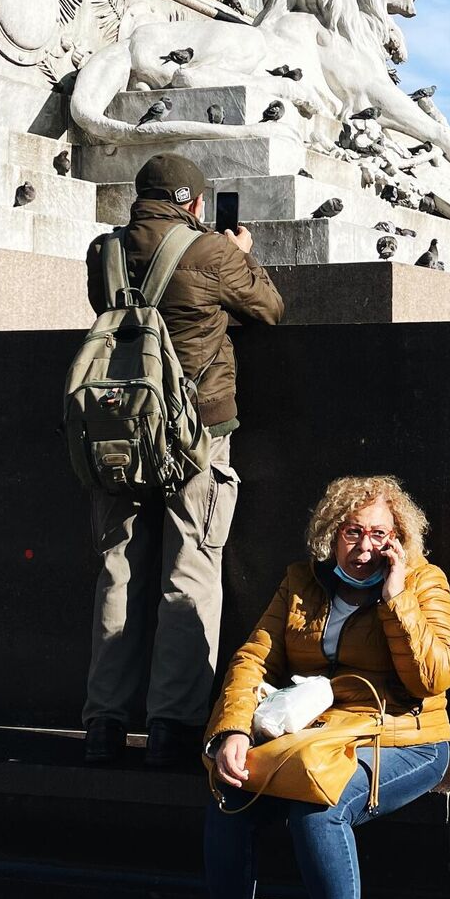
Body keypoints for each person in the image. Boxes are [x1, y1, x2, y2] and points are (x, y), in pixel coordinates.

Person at [174, 476, 450, 899]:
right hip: (315, 736)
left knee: (320, 808)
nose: (366, 545)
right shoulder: (300, 582)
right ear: (332, 533)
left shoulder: (424, 582)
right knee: (229, 795)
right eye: (354, 531)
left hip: (406, 737)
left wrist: (395, 598)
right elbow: (253, 659)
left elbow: (435, 676)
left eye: (381, 533)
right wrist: (232, 729)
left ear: (399, 537)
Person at [82, 152, 286, 767]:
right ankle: (172, 722)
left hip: (118, 428)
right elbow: (270, 308)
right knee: (190, 568)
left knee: (119, 569)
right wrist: (239, 251)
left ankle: (104, 724)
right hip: (196, 431)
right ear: (193, 203)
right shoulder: (211, 253)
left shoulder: (105, 252)